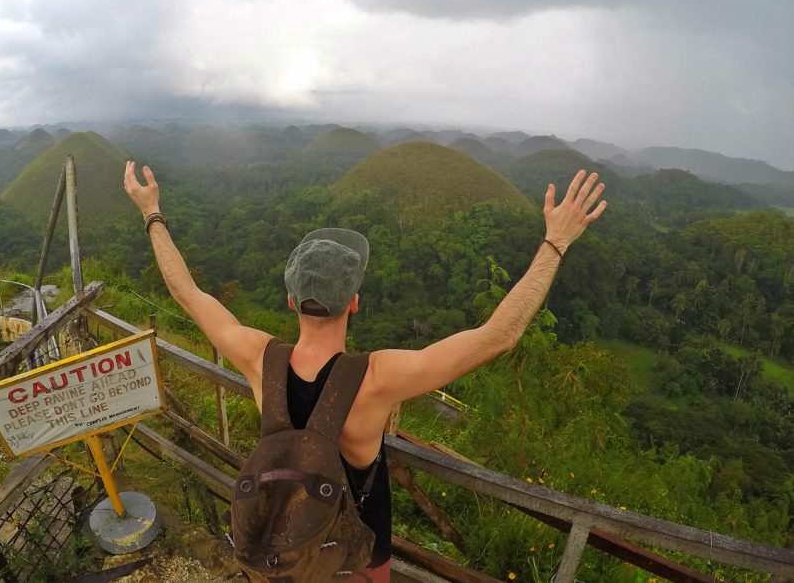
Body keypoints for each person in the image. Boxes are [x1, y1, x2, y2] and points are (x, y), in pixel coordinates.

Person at [124, 161, 607, 581]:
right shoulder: (376, 378)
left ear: (291, 300)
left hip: (280, 551)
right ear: (354, 303)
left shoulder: (258, 357)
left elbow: (186, 292)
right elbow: (498, 336)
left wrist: (152, 213)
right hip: (351, 561)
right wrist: (556, 242)